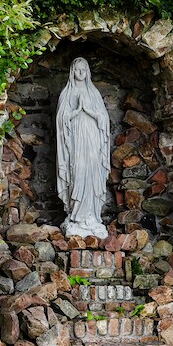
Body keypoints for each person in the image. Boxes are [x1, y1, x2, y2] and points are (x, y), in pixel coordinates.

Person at [55, 56, 111, 239]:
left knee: (93, 173)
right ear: (72, 72)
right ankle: (77, 216)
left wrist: (90, 111)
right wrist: (76, 112)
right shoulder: (67, 93)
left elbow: (103, 119)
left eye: (84, 70)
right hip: (75, 141)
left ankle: (92, 216)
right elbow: (61, 120)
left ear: (88, 72)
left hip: (93, 140)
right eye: (77, 70)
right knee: (77, 172)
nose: (80, 73)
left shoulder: (93, 93)